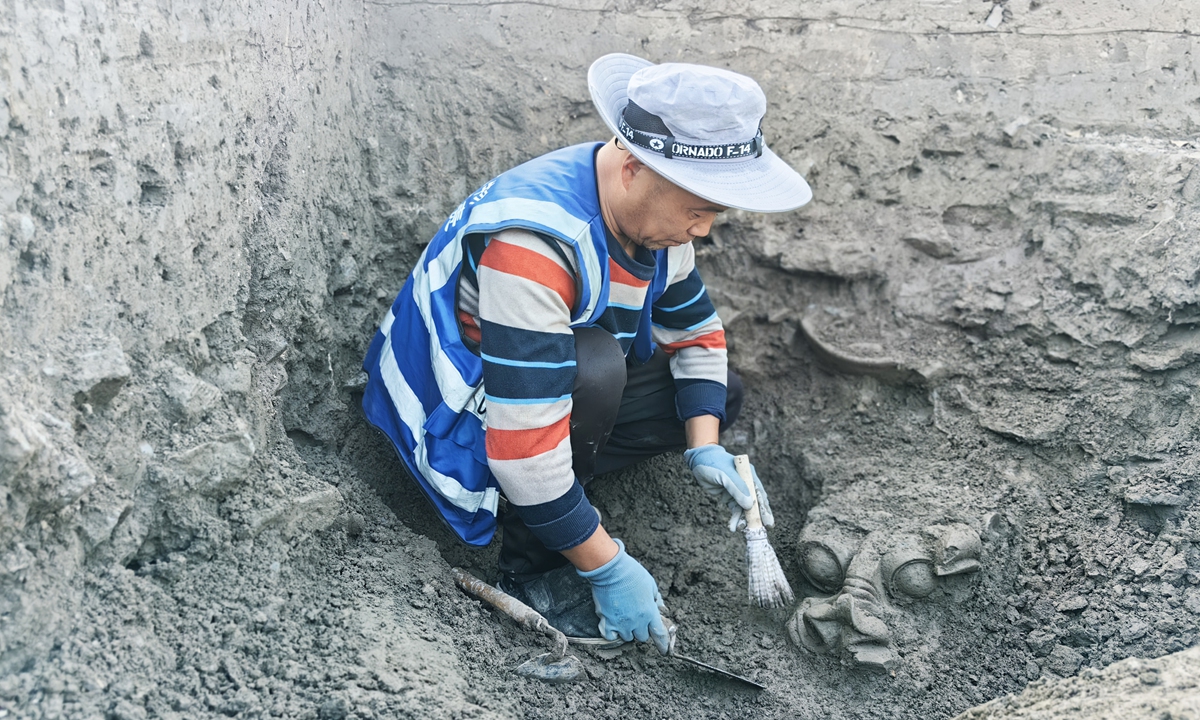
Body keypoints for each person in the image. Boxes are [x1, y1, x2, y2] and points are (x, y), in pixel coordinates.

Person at [361, 54, 811, 653]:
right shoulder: (535, 245)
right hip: (447, 412)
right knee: (597, 366)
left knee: (713, 395)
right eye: (696, 209)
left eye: (713, 212)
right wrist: (607, 565)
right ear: (632, 167)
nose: (703, 230)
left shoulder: (657, 224)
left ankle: (566, 493)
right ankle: (532, 571)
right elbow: (524, 452)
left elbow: (698, 334)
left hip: (538, 383)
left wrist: (705, 446)